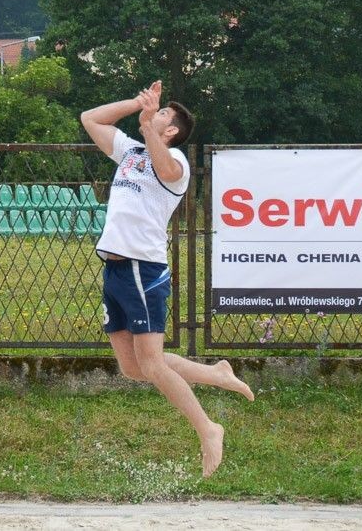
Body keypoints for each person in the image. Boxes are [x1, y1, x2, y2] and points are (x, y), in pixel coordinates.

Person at [80, 80, 254, 478]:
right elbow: (89, 118)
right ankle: (215, 374)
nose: (155, 115)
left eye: (161, 114)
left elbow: (166, 168)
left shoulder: (175, 161)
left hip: (144, 268)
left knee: (154, 365)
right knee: (133, 367)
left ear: (171, 129)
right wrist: (138, 104)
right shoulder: (130, 150)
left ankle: (208, 428)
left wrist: (146, 125)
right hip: (116, 267)